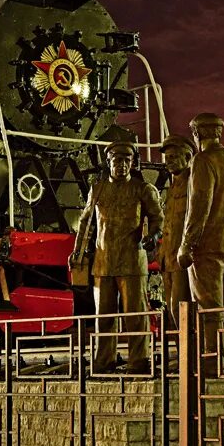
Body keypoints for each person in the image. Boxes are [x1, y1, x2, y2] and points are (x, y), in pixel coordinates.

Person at [71, 140, 163, 373]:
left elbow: (158, 219)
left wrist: (152, 236)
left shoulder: (143, 189)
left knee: (136, 315)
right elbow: (86, 224)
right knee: (104, 317)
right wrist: (78, 252)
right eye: (116, 161)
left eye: (126, 161)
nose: (121, 165)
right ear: (109, 163)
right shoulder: (98, 189)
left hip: (133, 260)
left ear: (132, 164)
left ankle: (139, 360)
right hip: (103, 262)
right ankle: (103, 362)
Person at [177, 113, 224, 374]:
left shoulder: (202, 160)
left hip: (207, 245)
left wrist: (187, 244)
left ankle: (211, 363)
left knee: (210, 307)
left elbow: (199, 206)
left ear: (197, 135)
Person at [157, 134, 195, 332]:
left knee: (182, 308)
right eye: (167, 157)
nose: (168, 161)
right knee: (173, 309)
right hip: (168, 258)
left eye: (173, 157)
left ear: (187, 157)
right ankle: (185, 357)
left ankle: (191, 356)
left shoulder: (194, 184)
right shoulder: (172, 187)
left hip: (182, 258)